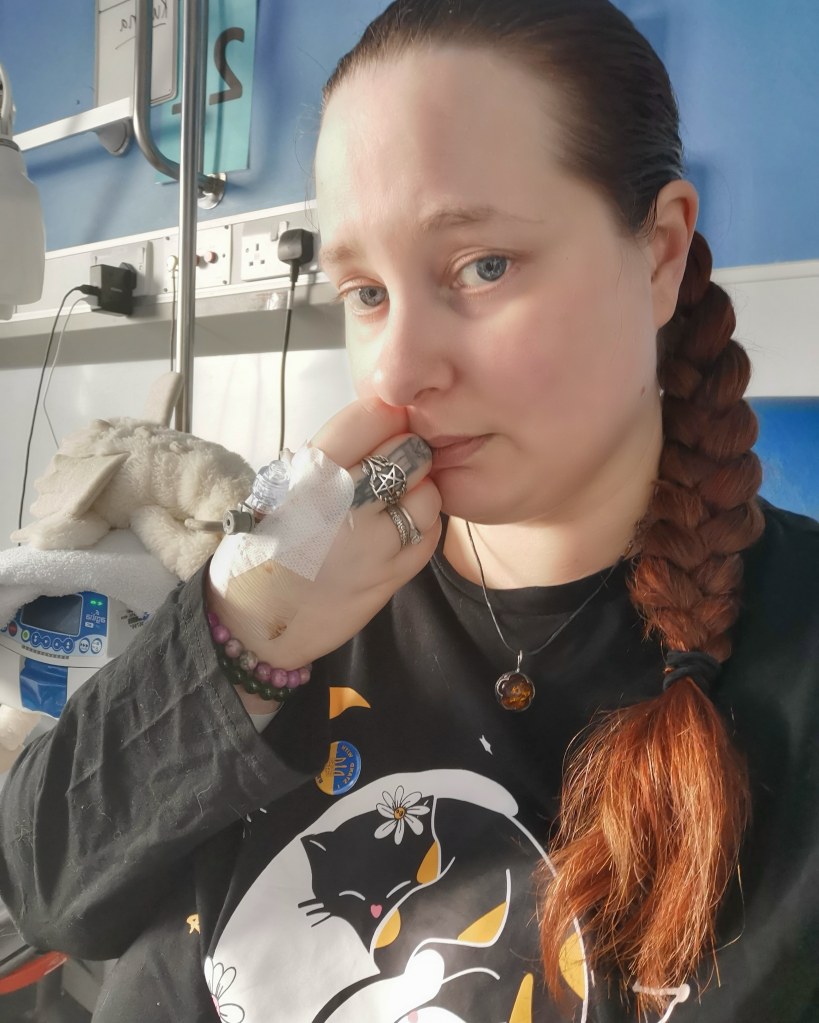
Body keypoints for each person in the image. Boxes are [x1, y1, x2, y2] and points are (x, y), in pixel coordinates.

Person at [1, 1, 817, 1020]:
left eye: (483, 266)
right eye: (365, 292)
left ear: (657, 252)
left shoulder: (792, 669)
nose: (394, 370)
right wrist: (233, 639)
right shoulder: (300, 581)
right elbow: (47, 893)